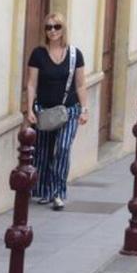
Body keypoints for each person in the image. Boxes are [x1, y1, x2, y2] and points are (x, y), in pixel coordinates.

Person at [25, 12, 88, 211]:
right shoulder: (38, 54)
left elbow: (80, 85)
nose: (53, 31)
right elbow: (31, 84)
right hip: (44, 110)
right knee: (42, 152)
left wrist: (84, 110)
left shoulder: (74, 55)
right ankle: (44, 190)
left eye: (57, 27)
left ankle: (58, 192)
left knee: (62, 148)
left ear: (63, 29)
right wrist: (29, 109)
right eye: (49, 27)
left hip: (68, 111)